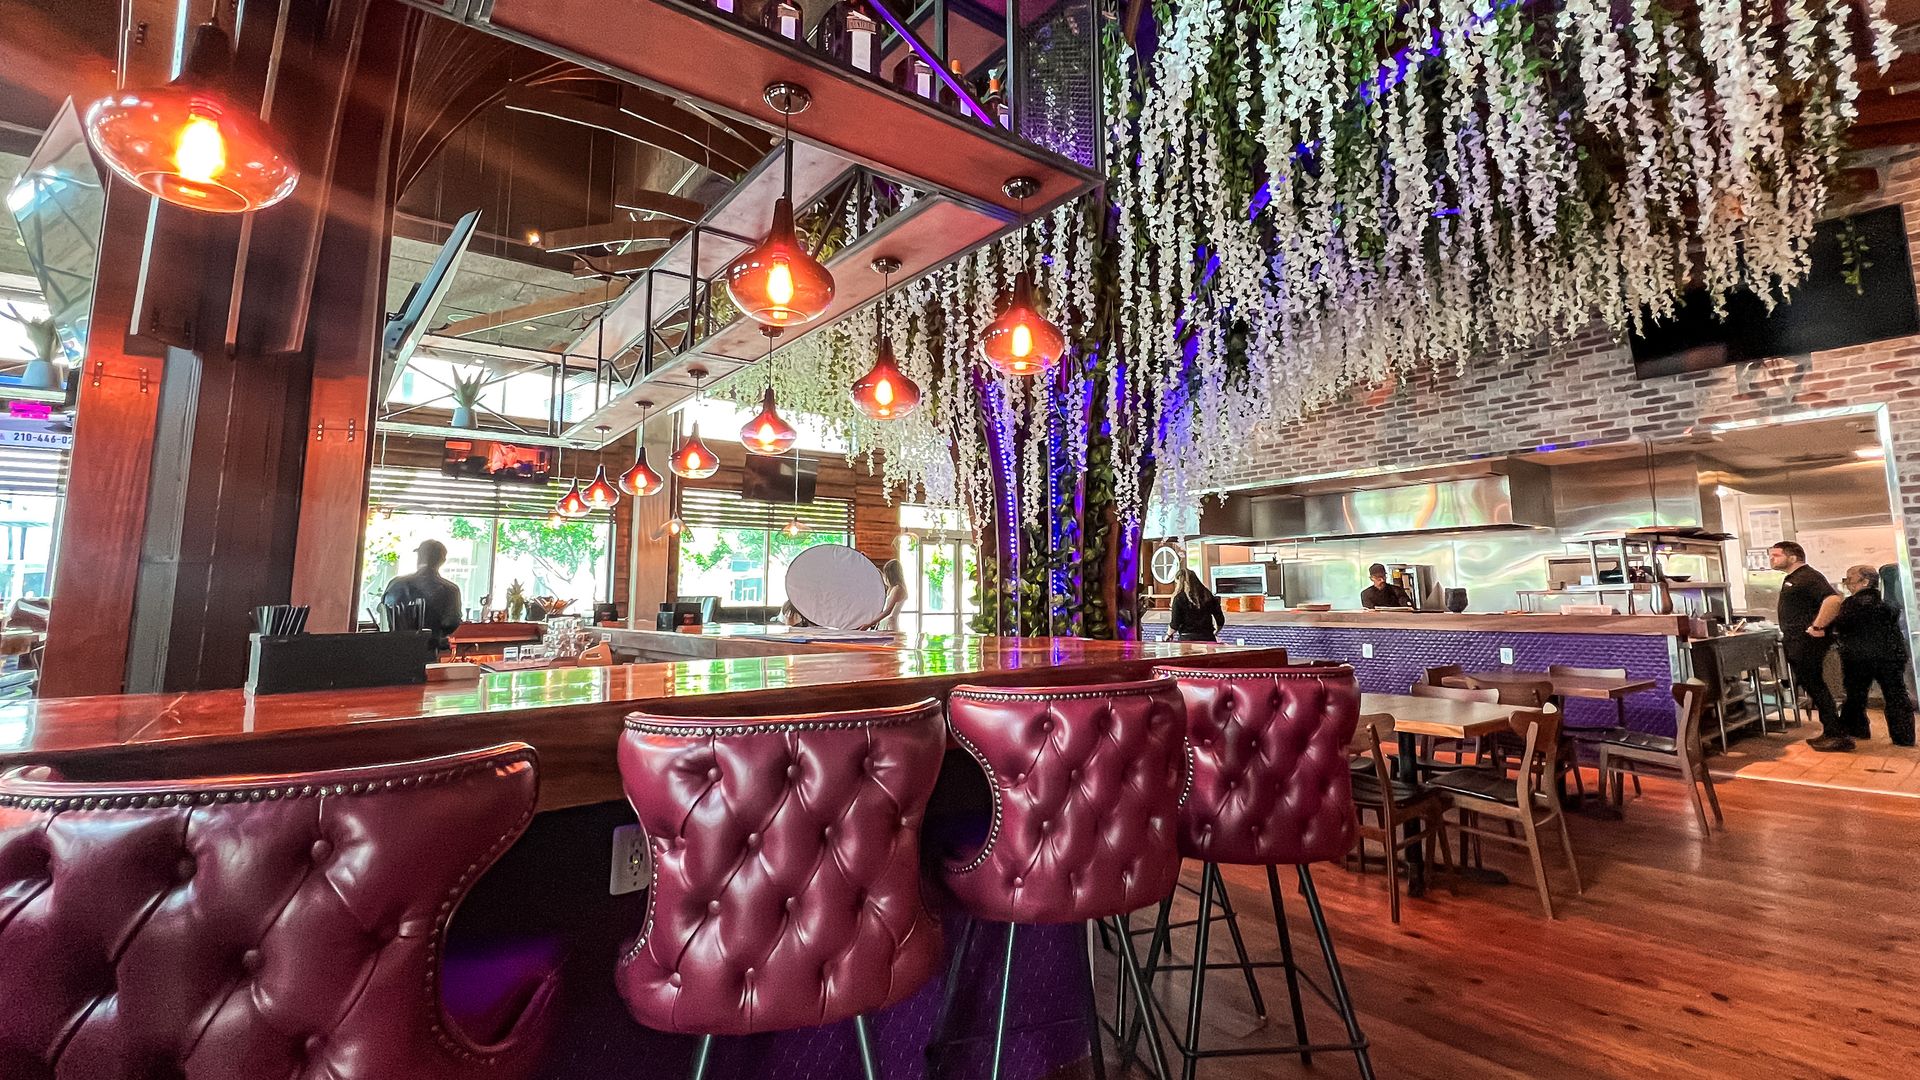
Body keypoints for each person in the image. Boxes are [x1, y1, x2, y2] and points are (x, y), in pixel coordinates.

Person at [1770, 541, 1848, 752]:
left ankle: (1836, 735)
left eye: (1776, 555)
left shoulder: (1807, 576)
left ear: (1793, 557)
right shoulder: (1795, 578)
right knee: (1814, 686)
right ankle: (1832, 731)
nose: (1771, 559)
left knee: (1816, 686)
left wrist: (1818, 625)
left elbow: (1833, 600)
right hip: (1798, 641)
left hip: (1806, 643)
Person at [1831, 564, 1916, 747]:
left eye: (1850, 580)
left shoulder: (1851, 604)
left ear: (1865, 581)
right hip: (1891, 655)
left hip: (1860, 657)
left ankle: (1857, 729)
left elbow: (1841, 625)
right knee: (1897, 695)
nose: (1848, 585)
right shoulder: (1887, 601)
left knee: (1856, 695)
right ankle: (1904, 737)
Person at [381, 539, 464, 650]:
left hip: (392, 649)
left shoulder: (394, 584)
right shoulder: (450, 589)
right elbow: (451, 623)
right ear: (442, 560)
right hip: (427, 650)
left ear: (419, 557)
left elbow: (383, 615)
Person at [1168, 568, 1226, 642]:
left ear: (1180, 583)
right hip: (1208, 638)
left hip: (1187, 640)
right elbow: (1220, 619)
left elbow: (1174, 624)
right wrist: (1216, 631)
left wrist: (1168, 635)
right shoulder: (1207, 595)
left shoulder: (1179, 598)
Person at [865, 559, 908, 632]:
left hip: (890, 625)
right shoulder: (893, 587)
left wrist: (870, 624)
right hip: (884, 623)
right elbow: (883, 577)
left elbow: (888, 611)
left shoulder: (898, 589)